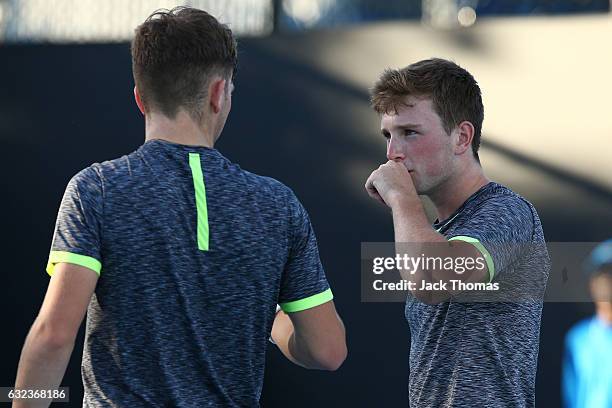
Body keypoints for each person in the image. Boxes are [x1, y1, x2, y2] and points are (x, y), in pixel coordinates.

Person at [13, 7, 346, 407]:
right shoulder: (279, 205)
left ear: (140, 98)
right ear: (219, 94)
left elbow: (53, 335)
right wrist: (275, 324)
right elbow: (328, 350)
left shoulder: (95, 189)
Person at [365, 58, 549, 407]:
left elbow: (432, 278)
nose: (393, 154)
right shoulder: (432, 233)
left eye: (410, 132)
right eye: (388, 135)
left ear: (462, 137)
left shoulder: (507, 211)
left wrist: (402, 198)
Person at [562, 239, 612, 408]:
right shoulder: (578, 338)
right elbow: (572, 395)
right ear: (593, 284)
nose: (608, 285)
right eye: (604, 276)